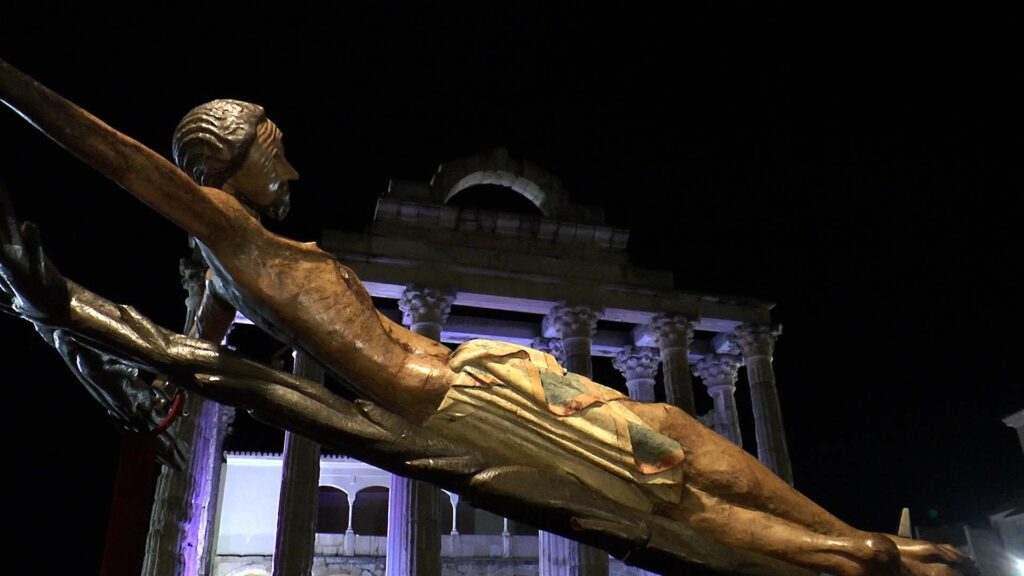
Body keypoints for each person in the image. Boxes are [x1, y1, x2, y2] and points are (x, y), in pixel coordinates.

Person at [0, 58, 974, 576]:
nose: (288, 168)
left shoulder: (233, 262)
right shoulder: (231, 234)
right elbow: (118, 158)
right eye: (275, 152)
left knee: (676, 429)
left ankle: (854, 541)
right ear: (221, 168)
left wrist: (113, 331)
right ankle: (865, 561)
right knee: (668, 500)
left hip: (485, 366)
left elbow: (198, 353)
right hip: (457, 404)